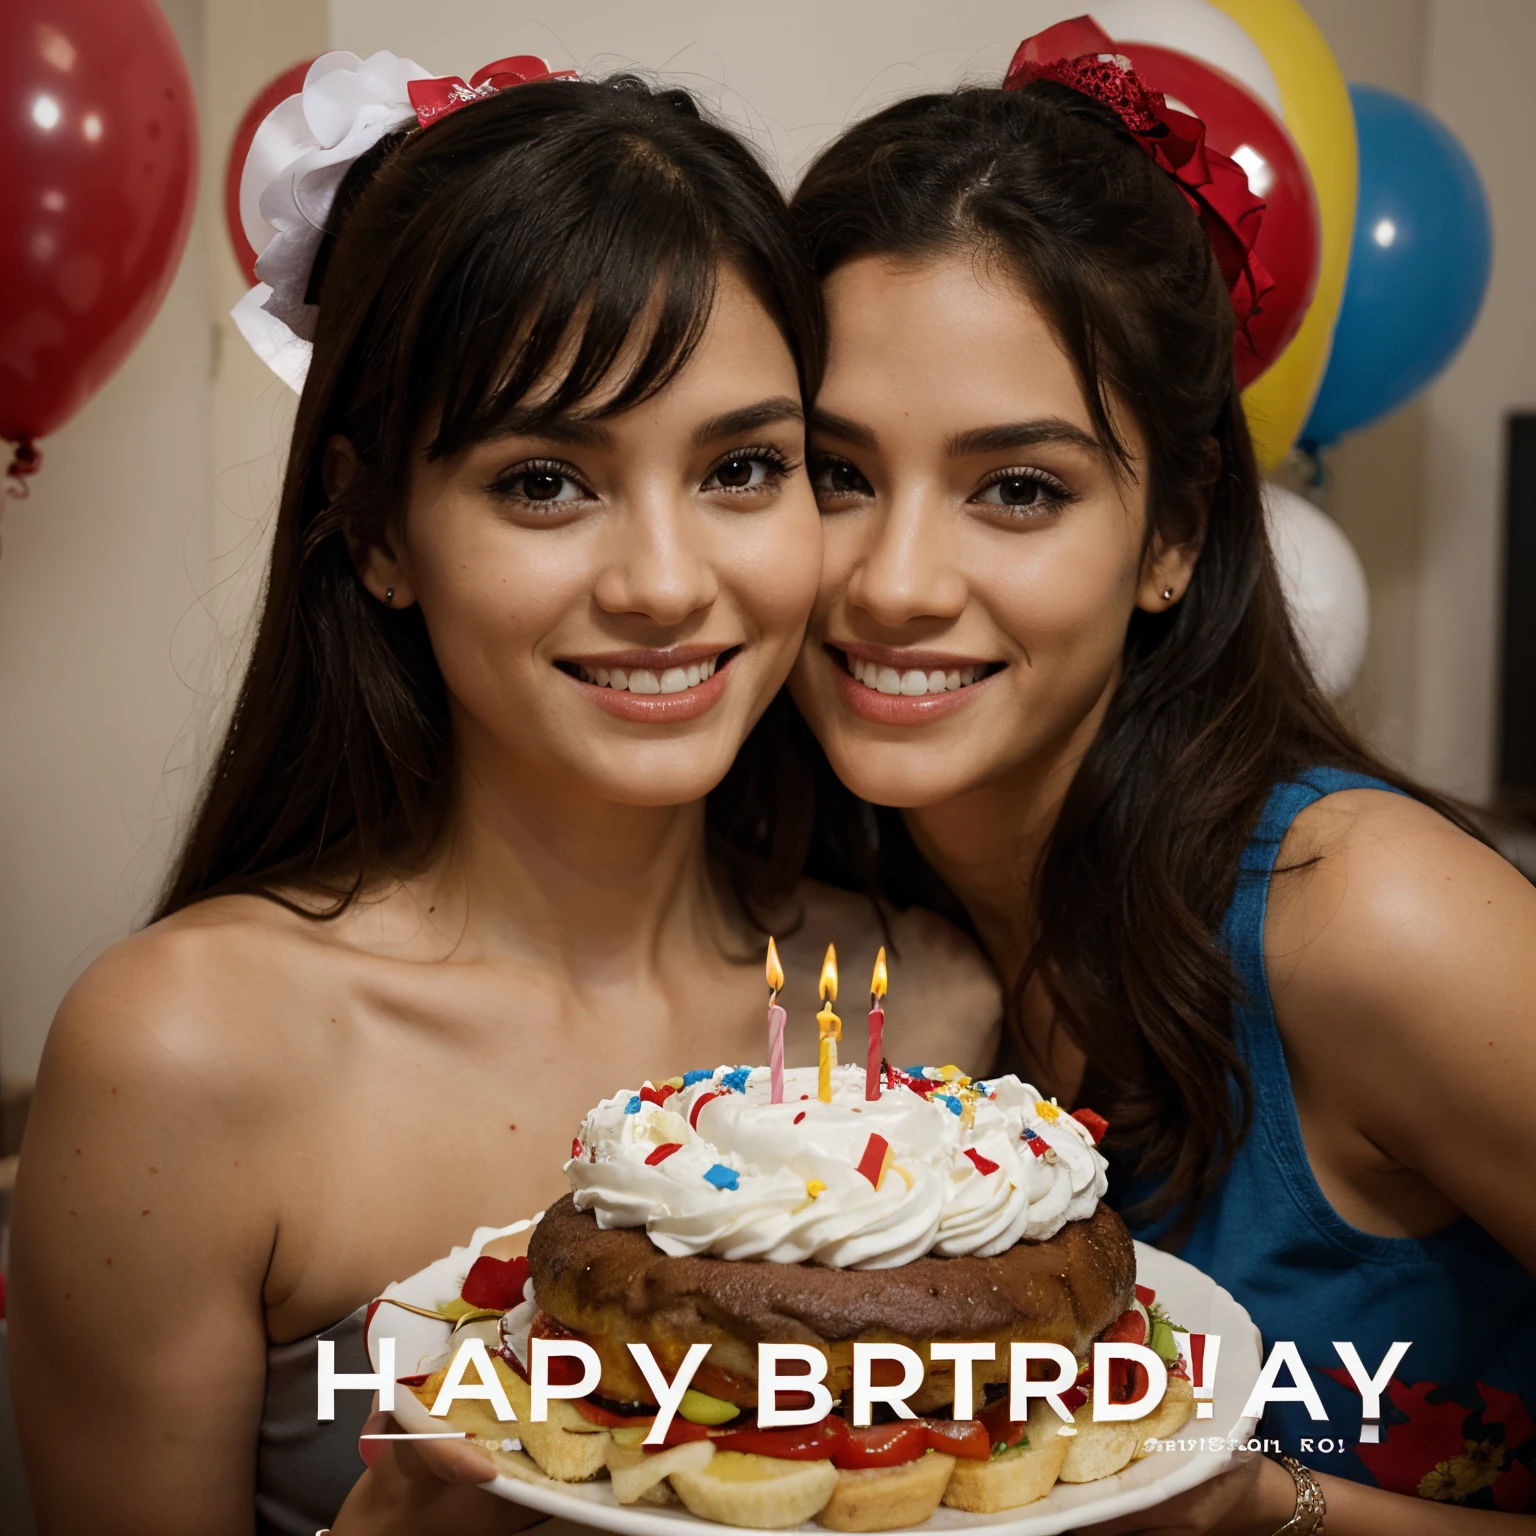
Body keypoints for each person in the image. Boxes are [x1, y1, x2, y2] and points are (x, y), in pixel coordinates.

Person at [8, 55, 1000, 1536]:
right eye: (545, 480)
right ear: (378, 527)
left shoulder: (922, 1012)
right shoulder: (186, 1059)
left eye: (742, 466)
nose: (665, 584)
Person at [784, 21, 1536, 1534]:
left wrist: (1266, 1512)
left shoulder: (1365, 921)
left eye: (1018, 489)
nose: (895, 581)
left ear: (1177, 532)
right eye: (831, 469)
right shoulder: (826, 937)